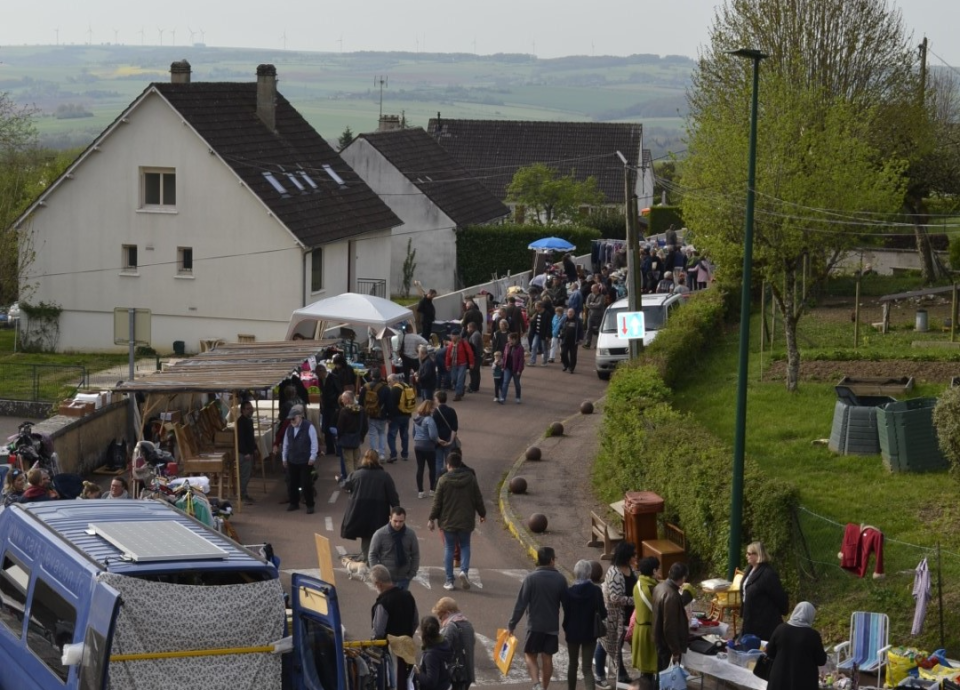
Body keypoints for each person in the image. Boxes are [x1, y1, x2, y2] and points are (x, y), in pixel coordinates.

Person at [508, 546, 569, 690]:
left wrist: (512, 624)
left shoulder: (531, 579)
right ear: (551, 560)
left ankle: (536, 684)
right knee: (547, 658)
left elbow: (521, 604)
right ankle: (544, 687)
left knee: (530, 655)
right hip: (552, 627)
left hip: (534, 626)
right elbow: (567, 605)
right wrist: (567, 625)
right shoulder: (560, 579)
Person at [428, 452, 486, 591]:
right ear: (460, 464)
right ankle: (464, 571)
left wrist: (431, 518)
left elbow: (437, 503)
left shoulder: (443, 480)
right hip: (466, 519)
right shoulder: (471, 478)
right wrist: (482, 513)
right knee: (465, 545)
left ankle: (449, 580)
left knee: (449, 547)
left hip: (448, 520)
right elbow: (478, 497)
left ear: (448, 465)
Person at [338, 449, 399, 562]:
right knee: (378, 535)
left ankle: (367, 559)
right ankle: (375, 558)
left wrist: (340, 480)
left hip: (360, 511)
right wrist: (396, 511)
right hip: (379, 512)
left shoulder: (356, 475)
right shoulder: (384, 476)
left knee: (365, 536)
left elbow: (346, 485)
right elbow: (393, 497)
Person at [371, 564, 419, 690]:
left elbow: (378, 631)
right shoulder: (408, 596)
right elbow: (415, 622)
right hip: (407, 647)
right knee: (407, 680)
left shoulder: (383, 603)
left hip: (390, 650)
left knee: (392, 682)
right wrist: (406, 636)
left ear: (379, 584)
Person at [563, 559, 607, 690]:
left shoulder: (569, 592)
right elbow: (603, 613)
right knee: (587, 668)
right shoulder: (595, 591)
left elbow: (566, 613)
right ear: (589, 573)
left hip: (572, 632)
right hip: (590, 632)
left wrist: (565, 627)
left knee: (573, 664)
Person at [764, 602, 827, 690]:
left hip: (779, 680)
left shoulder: (780, 629)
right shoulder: (813, 635)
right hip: (803, 682)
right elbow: (821, 660)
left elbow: (770, 652)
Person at [599, 542, 637, 685]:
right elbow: (615, 598)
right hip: (614, 616)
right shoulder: (615, 573)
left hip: (627, 615)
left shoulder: (629, 569)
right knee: (607, 644)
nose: (636, 557)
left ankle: (620, 673)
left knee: (616, 645)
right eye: (634, 554)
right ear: (627, 556)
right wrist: (635, 600)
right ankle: (600, 675)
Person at [741, 540, 789, 641]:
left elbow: (779, 596)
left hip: (763, 620)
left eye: (749, 553)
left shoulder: (768, 574)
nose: (747, 555)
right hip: (750, 617)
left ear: (758, 555)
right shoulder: (750, 569)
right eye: (747, 553)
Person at [368, 506, 419, 588]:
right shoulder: (380, 534)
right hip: (385, 580)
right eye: (395, 521)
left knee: (402, 601)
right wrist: (377, 575)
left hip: (404, 579)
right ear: (390, 518)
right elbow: (372, 554)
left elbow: (415, 554)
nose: (398, 524)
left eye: (401, 521)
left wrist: (411, 574)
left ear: (404, 520)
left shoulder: (410, 534)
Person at [652, 562, 689, 673]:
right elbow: (669, 626)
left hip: (659, 639)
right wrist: (675, 651)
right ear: (683, 578)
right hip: (666, 644)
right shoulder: (672, 596)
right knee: (667, 678)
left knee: (661, 675)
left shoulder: (659, 586)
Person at [434, 597, 477, 690]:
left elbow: (443, 649)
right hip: (466, 672)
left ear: (447, 613)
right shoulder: (468, 625)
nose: (440, 620)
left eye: (441, 617)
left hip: (453, 673)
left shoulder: (450, 627)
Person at [282, 404, 318, 514]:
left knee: (306, 483)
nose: (292, 421)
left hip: (305, 460)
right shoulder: (289, 429)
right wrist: (284, 458)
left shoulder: (309, 427)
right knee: (292, 483)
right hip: (292, 459)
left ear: (300, 417)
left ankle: (310, 504)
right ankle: (294, 503)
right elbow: (285, 444)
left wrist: (312, 457)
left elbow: (314, 443)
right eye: (290, 419)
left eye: (293, 418)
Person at [630, 557, 660, 687]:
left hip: (640, 629)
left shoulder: (638, 584)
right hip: (649, 632)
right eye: (658, 569)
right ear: (654, 570)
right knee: (651, 670)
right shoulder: (651, 589)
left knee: (645, 670)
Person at [359, 369, 390, 460]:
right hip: (382, 414)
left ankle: (373, 454)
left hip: (369, 414)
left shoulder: (366, 387)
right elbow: (389, 403)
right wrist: (389, 415)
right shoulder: (385, 388)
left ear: (371, 376)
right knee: (382, 433)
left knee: (372, 434)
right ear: (380, 376)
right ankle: (382, 454)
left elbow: (361, 402)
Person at [413, 399, 440, 498]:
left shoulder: (417, 418)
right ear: (429, 408)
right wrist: (437, 441)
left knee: (420, 468)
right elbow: (433, 435)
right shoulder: (429, 420)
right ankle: (432, 489)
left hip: (418, 445)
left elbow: (413, 433)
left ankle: (420, 491)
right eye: (433, 408)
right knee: (432, 468)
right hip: (428, 446)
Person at [417, 615, 453, 690]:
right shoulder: (444, 643)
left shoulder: (431, 655)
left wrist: (417, 672)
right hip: (446, 685)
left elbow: (431, 682)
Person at [336, 391, 367, 474]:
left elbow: (340, 428)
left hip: (346, 439)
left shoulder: (344, 411)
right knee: (356, 461)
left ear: (348, 400)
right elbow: (365, 426)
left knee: (349, 462)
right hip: (357, 438)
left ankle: (352, 482)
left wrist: (339, 438)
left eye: (343, 399)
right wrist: (361, 437)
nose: (342, 401)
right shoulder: (361, 410)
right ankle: (357, 479)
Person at [432, 391, 459, 479]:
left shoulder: (435, 412)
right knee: (449, 461)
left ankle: (438, 479)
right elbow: (454, 427)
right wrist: (451, 440)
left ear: (438, 399)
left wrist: (438, 439)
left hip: (438, 440)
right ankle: (449, 478)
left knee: (438, 461)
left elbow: (433, 428)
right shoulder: (451, 411)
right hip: (448, 438)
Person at [387, 373, 413, 463]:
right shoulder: (406, 386)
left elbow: (391, 405)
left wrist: (389, 417)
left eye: (389, 381)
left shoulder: (395, 389)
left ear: (394, 380)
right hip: (407, 414)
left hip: (396, 416)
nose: (388, 383)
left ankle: (393, 454)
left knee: (391, 435)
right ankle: (405, 454)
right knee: (404, 435)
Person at [445, 330, 475, 402]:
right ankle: (461, 388)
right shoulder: (451, 344)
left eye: (452, 336)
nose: (451, 337)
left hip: (462, 364)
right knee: (454, 379)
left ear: (456, 336)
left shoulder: (464, 343)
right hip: (454, 364)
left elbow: (470, 353)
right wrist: (448, 364)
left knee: (459, 379)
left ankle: (458, 394)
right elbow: (448, 355)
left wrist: (471, 363)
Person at [237, 400, 257, 504]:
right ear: (243, 410)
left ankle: (244, 494)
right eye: (248, 409)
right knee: (244, 475)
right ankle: (242, 495)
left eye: (251, 408)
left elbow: (251, 437)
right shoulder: (241, 422)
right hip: (244, 453)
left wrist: (255, 448)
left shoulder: (249, 420)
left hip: (249, 451)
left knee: (247, 474)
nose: (251, 410)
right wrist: (246, 453)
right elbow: (241, 439)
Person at [318, 364, 342, 455]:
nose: (318, 376)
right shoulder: (321, 379)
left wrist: (337, 405)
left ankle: (338, 449)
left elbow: (339, 391)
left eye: (318, 374)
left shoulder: (333, 377)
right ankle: (330, 449)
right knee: (326, 428)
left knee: (333, 428)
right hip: (326, 407)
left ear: (322, 371)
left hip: (333, 407)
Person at [500, 332, 525, 405]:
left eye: (510, 339)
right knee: (505, 383)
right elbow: (504, 357)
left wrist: (519, 370)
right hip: (507, 368)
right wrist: (503, 366)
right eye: (508, 339)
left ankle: (518, 397)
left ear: (514, 340)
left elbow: (521, 360)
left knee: (517, 384)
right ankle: (502, 397)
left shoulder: (520, 348)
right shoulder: (507, 346)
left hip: (516, 369)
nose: (509, 341)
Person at [559, 308, 583, 374]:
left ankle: (571, 368)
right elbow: (559, 327)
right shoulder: (563, 319)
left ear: (574, 313)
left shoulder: (578, 320)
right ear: (567, 313)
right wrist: (559, 334)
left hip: (574, 341)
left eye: (571, 313)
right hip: (565, 340)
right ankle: (566, 365)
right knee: (563, 353)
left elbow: (581, 330)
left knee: (573, 355)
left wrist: (581, 338)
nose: (570, 314)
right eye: (569, 313)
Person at [582, 284, 605, 349]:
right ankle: (587, 343)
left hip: (599, 315)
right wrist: (593, 305)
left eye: (593, 288)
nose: (591, 289)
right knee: (589, 329)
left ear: (597, 289)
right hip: (590, 315)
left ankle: (598, 343)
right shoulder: (590, 295)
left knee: (598, 330)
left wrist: (592, 304)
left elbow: (600, 305)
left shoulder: (602, 296)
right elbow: (587, 304)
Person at [529, 301, 551, 366]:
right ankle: (532, 361)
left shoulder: (547, 314)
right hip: (537, 333)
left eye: (536, 307)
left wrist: (548, 335)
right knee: (533, 346)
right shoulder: (537, 314)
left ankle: (545, 361)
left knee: (544, 347)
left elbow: (549, 325)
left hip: (544, 334)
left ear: (540, 307)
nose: (535, 308)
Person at [465, 321, 483, 394]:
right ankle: (475, 386)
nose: (467, 329)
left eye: (468, 328)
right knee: (476, 372)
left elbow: (473, 346)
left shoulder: (475, 335)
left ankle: (473, 387)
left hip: (476, 356)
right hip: (478, 356)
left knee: (473, 372)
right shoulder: (477, 334)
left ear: (471, 327)